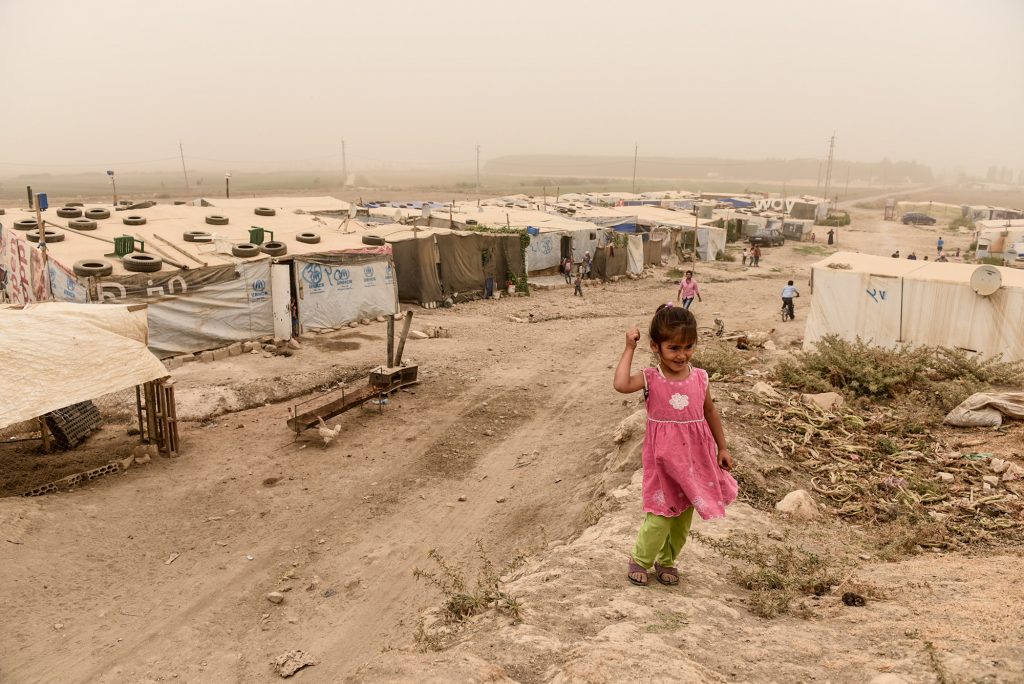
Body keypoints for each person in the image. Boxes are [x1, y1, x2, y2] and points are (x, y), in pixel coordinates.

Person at [613, 305, 737, 587]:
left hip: (695, 460)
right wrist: (628, 348)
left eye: (688, 347)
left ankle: (667, 561)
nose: (682, 355)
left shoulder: (700, 378)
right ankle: (641, 560)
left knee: (683, 519)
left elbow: (711, 413)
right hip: (663, 462)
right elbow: (620, 384)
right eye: (674, 348)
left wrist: (723, 447)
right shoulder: (651, 378)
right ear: (656, 346)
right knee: (659, 516)